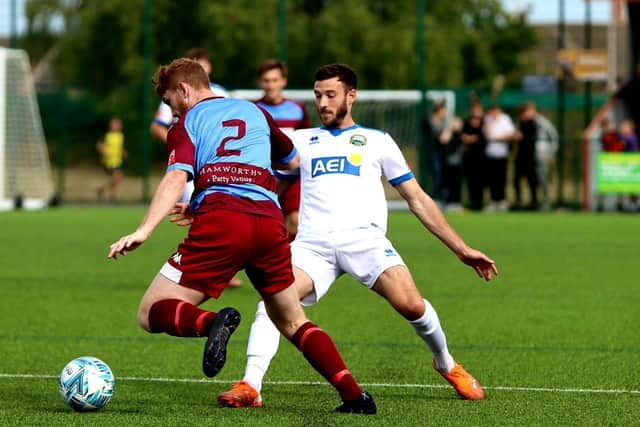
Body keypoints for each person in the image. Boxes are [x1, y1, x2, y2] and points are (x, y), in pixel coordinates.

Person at [218, 63, 498, 409]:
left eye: (331, 95)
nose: (322, 103)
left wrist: (462, 249)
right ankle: (251, 384)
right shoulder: (300, 141)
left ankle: (445, 363)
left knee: (411, 304)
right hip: (312, 245)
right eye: (318, 95)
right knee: (274, 303)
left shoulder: (378, 141)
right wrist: (210, 205)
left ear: (351, 96)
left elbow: (417, 199)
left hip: (365, 242)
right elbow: (259, 183)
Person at [108, 58, 376, 415]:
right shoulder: (254, 112)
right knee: (292, 320)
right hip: (269, 222)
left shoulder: (187, 123)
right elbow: (292, 161)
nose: (173, 113)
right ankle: (354, 395)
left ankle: (211, 322)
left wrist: (144, 229)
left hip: (223, 223)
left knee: (149, 311)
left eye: (172, 103)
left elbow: (176, 177)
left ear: (184, 90)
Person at [149, 47, 241, 287]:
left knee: (212, 212)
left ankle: (214, 267)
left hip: (220, 165)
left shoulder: (221, 94)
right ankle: (208, 268)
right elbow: (158, 126)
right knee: (200, 211)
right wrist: (180, 148)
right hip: (192, 167)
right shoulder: (176, 96)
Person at [254, 59, 311, 240]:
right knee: (267, 226)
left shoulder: (297, 109)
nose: (271, 85)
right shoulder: (254, 109)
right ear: (260, 83)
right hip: (264, 175)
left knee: (295, 221)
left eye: (275, 80)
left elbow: (305, 141)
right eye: (266, 80)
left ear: (283, 81)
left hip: (293, 175)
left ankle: (290, 260)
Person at [483, 104, 515, 212]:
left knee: (501, 178)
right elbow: (486, 134)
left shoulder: (505, 119)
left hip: (502, 154)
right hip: (490, 154)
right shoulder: (487, 119)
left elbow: (510, 134)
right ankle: (493, 201)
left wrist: (497, 138)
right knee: (491, 179)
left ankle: (501, 201)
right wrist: (490, 123)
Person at [513, 102, 539, 210]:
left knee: (531, 179)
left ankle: (534, 202)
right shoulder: (520, 123)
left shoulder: (534, 123)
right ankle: (518, 201)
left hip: (530, 156)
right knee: (516, 179)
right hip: (521, 155)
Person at [461, 101, 486, 211]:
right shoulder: (466, 122)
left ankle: (480, 202)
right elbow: (463, 136)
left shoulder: (485, 122)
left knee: (480, 180)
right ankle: (472, 202)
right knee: (470, 180)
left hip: (481, 156)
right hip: (469, 156)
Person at [532, 105, 558, 211]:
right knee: (535, 180)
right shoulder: (527, 122)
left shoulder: (543, 123)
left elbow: (554, 136)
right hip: (532, 156)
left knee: (543, 179)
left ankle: (546, 202)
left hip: (542, 155)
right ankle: (536, 202)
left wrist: (551, 153)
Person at [96, 117, 127, 202]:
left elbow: (119, 147)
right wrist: (104, 151)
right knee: (116, 177)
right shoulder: (107, 135)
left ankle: (103, 190)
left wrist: (123, 152)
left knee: (117, 179)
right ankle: (112, 196)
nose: (116, 126)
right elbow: (99, 146)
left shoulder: (121, 136)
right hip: (109, 161)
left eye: (118, 124)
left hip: (118, 161)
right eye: (114, 124)